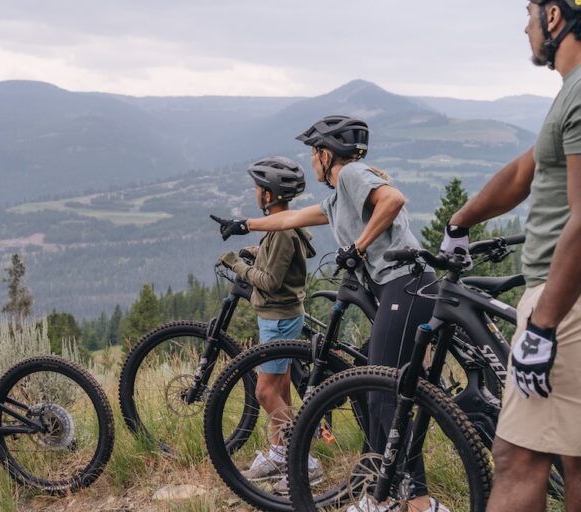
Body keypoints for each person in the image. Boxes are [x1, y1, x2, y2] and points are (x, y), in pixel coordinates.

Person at [212, 116, 446, 512]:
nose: (311, 161)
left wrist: (358, 246)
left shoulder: (353, 173)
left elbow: (392, 200)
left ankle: (415, 502)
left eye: (313, 153)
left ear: (326, 154)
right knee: (376, 391)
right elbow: (289, 218)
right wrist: (245, 224)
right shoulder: (338, 198)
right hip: (400, 288)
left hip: (405, 285)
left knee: (384, 396)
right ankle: (381, 490)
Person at [443, 2, 581, 510]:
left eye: (529, 11)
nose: (524, 26)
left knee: (518, 461)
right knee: (575, 459)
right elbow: (523, 173)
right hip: (565, 300)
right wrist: (461, 220)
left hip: (563, 301)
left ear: (554, 16)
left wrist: (543, 326)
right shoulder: (571, 92)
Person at [214, 156, 321, 488]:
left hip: (277, 317)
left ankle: (303, 461)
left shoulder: (283, 231)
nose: (255, 192)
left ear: (269, 194)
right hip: (282, 315)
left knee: (263, 392)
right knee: (281, 389)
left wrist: (236, 263)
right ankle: (280, 453)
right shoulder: (283, 225)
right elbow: (278, 260)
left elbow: (271, 280)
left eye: (258, 187)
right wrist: (256, 251)